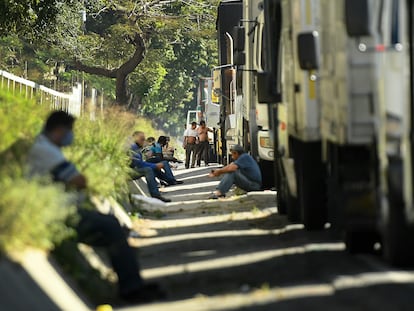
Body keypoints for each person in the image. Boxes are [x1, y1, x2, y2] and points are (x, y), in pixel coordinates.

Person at [27, 111, 164, 303]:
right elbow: (79, 180)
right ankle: (131, 287)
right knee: (110, 226)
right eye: (69, 131)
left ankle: (131, 283)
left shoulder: (44, 147)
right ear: (58, 130)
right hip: (60, 215)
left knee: (112, 226)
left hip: (62, 210)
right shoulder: (45, 150)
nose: (71, 136)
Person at [130, 131, 183, 201]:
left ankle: (169, 181)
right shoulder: (134, 148)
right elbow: (140, 164)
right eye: (142, 139)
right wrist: (156, 165)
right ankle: (156, 195)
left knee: (156, 170)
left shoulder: (138, 147)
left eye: (144, 139)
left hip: (142, 164)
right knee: (153, 167)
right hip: (129, 170)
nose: (143, 142)